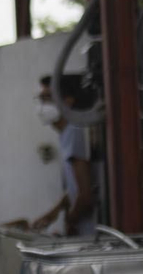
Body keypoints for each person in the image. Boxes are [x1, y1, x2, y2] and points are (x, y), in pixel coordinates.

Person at [32, 75, 98, 237]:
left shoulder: (75, 132)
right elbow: (74, 188)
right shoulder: (66, 134)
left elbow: (85, 196)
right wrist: (53, 213)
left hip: (90, 234)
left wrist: (71, 222)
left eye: (48, 98)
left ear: (67, 101)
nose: (42, 106)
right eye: (41, 99)